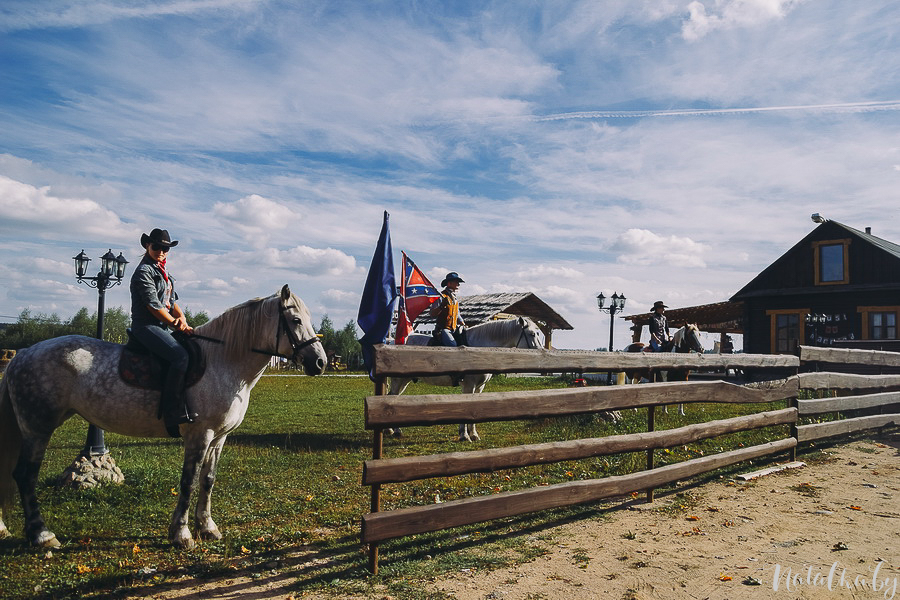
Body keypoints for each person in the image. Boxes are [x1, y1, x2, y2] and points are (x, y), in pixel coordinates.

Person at [130, 228, 198, 432]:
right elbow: (153, 306)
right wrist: (174, 323)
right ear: (147, 246)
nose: (161, 251)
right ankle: (172, 411)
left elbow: (171, 301)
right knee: (180, 357)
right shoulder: (144, 272)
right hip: (146, 326)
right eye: (156, 247)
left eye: (165, 249)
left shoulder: (164, 272)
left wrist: (182, 318)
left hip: (162, 325)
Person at [430, 272, 466, 346]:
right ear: (449, 283)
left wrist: (462, 322)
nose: (458, 284)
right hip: (444, 329)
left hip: (454, 329)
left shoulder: (455, 299)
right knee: (453, 345)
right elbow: (432, 314)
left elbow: (457, 313)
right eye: (456, 282)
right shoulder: (441, 297)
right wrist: (441, 306)